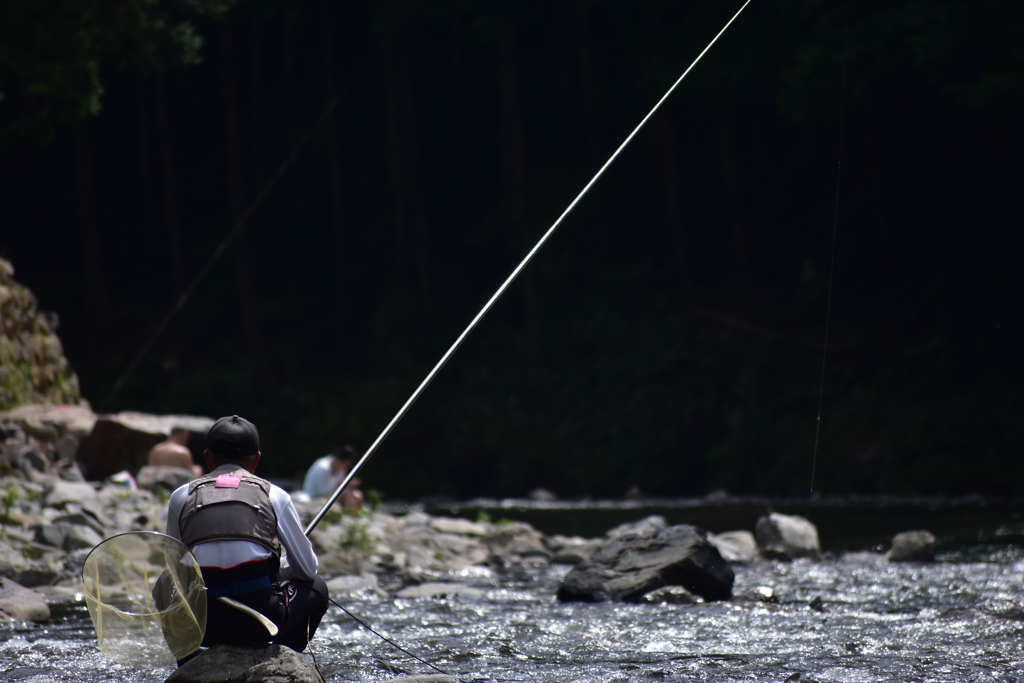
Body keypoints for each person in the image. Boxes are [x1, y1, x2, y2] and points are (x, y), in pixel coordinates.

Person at [164, 415, 329, 656]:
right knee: (318, 587)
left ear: (208, 458)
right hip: (261, 624)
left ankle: (188, 664)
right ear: (256, 460)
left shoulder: (181, 497)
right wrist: (275, 570)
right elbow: (306, 571)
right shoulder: (276, 495)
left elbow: (175, 570)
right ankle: (280, 658)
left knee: (164, 586)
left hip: (204, 627)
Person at [301, 444, 364, 511]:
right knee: (346, 493)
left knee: (357, 495)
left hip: (328, 496)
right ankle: (351, 517)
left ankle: (355, 515)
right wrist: (344, 484)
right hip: (314, 498)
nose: (346, 467)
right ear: (339, 459)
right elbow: (322, 492)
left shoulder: (341, 470)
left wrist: (345, 484)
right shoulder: (322, 468)